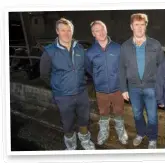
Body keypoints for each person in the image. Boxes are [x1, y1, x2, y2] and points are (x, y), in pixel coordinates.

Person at [40, 18, 95, 150]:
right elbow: (44, 75)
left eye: (69, 30)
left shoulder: (80, 48)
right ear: (57, 31)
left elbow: (88, 68)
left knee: (84, 118)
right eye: (63, 30)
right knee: (67, 121)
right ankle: (70, 142)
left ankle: (84, 139)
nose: (66, 33)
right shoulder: (49, 51)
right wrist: (57, 87)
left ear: (72, 31)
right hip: (63, 96)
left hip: (81, 92)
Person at [119, 13, 165, 149]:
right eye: (136, 25)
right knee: (137, 114)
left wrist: (161, 88)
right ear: (131, 26)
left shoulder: (155, 44)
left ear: (146, 26)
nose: (139, 28)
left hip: (151, 87)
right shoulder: (125, 46)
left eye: (142, 25)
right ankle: (140, 133)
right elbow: (121, 68)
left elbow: (162, 67)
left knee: (152, 116)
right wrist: (123, 88)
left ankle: (152, 138)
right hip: (133, 88)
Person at [85, 20, 128, 146]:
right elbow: (89, 69)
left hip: (117, 89)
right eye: (97, 30)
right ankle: (104, 131)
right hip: (101, 90)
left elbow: (124, 67)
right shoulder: (90, 52)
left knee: (119, 111)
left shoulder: (118, 48)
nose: (101, 32)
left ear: (106, 30)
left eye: (102, 29)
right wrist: (98, 78)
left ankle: (121, 131)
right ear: (93, 34)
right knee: (103, 112)